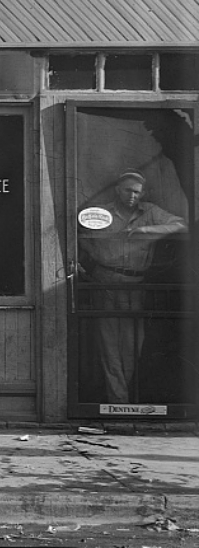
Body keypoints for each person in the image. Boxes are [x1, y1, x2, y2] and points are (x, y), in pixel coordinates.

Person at [78, 170, 187, 404]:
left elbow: (181, 225)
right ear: (118, 190)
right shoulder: (102, 213)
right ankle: (118, 400)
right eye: (127, 190)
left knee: (131, 343)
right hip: (105, 282)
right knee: (108, 344)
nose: (132, 196)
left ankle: (123, 399)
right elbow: (80, 237)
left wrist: (146, 231)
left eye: (136, 192)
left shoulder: (149, 212)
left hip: (135, 284)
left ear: (143, 194)